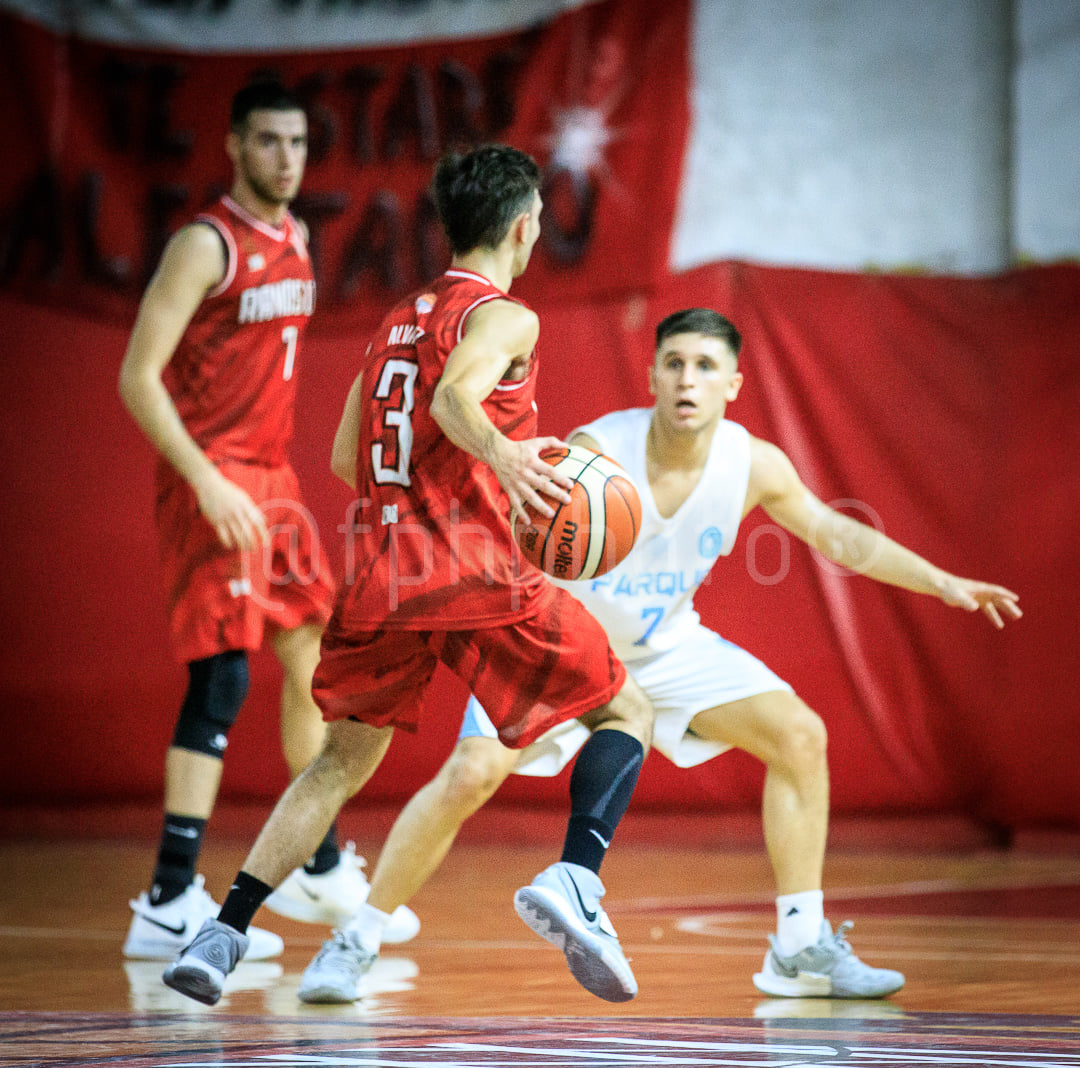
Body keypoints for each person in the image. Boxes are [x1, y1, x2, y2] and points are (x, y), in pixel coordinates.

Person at [295, 306, 1023, 1004]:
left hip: (664, 647)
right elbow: (516, 523)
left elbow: (838, 533)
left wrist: (940, 582)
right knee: (470, 774)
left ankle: (800, 947)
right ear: (651, 377)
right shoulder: (596, 450)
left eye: (705, 366)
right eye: (673, 363)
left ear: (733, 385)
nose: (687, 379)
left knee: (800, 735)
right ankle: (357, 938)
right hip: (563, 643)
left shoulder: (753, 463)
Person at [160, 144, 655, 1008]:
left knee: (336, 764)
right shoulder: (506, 318)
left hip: (382, 576)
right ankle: (578, 878)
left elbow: (345, 456)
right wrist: (504, 457)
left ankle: (222, 931)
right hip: (470, 568)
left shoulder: (398, 319)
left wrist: (442, 473)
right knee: (626, 709)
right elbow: (454, 400)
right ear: (522, 226)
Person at [117, 79, 418, 963]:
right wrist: (205, 479)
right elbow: (138, 376)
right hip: (212, 478)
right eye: (268, 141)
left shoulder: (296, 240)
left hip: (272, 478)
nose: (286, 158)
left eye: (297, 142)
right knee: (222, 679)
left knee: (313, 654)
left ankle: (316, 864)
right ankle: (167, 897)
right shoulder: (205, 244)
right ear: (234, 146)